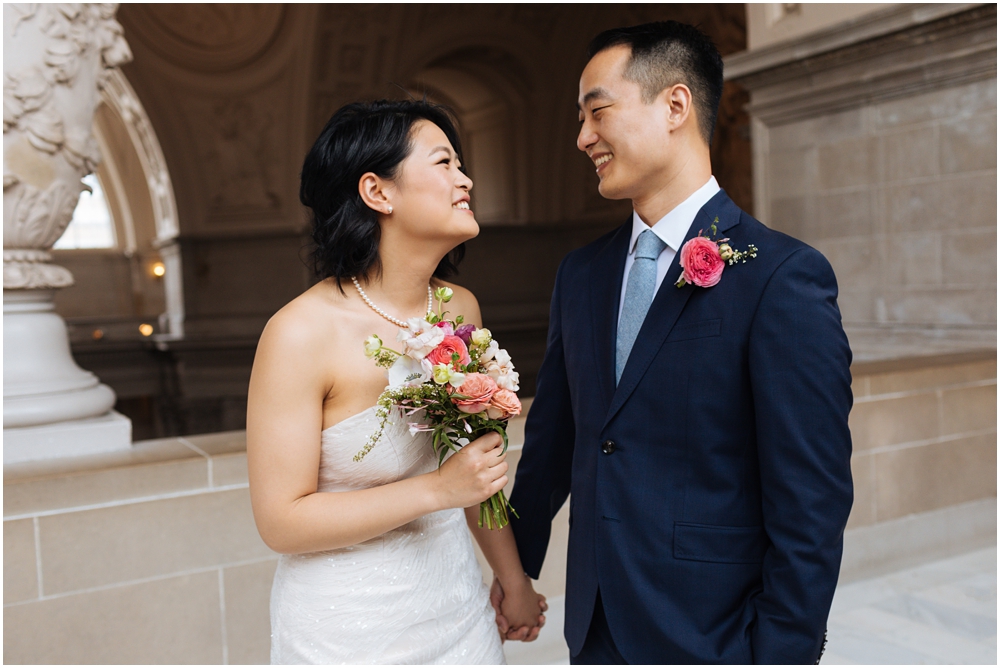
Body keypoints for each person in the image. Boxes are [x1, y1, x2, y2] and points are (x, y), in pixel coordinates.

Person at [494, 22, 854, 664]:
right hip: (596, 626)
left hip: (716, 635)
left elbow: (811, 502)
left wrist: (779, 654)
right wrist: (512, 572)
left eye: (597, 111)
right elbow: (552, 446)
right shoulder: (581, 275)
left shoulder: (780, 277)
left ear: (676, 106)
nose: (582, 138)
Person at [246, 99, 545, 664]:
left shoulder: (458, 308)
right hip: (346, 627)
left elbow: (473, 468)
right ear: (377, 192)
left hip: (457, 612)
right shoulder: (298, 333)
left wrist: (515, 580)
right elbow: (281, 521)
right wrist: (436, 490)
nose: (466, 180)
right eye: (444, 163)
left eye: (460, 164)